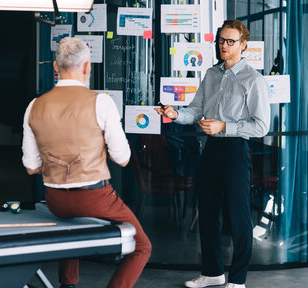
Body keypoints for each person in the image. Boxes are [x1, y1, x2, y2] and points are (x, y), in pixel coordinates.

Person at [22, 37, 151, 288]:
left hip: (55, 200)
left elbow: (31, 166)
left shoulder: (34, 106)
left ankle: (67, 284)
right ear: (87, 67)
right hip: (95, 199)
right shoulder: (101, 102)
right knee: (142, 247)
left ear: (56, 68)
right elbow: (122, 158)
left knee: (72, 227)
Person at [155, 20, 270, 288]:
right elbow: (195, 111)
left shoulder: (253, 79)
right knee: (207, 212)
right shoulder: (211, 74)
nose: (224, 46)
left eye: (230, 41)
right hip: (211, 150)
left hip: (236, 150)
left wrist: (224, 126)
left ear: (243, 45)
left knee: (238, 216)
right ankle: (212, 272)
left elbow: (262, 125)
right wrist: (175, 114)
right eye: (221, 40)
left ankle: (238, 280)